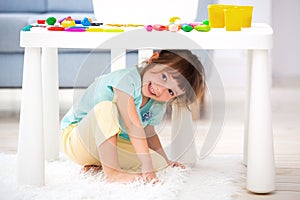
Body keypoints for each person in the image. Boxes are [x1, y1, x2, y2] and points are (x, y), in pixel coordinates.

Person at [60, 49, 206, 183]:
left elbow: (149, 133)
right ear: (153, 59)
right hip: (77, 139)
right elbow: (132, 125)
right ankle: (112, 173)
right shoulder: (127, 80)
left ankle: (99, 165)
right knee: (106, 108)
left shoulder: (157, 103)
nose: (160, 90)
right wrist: (146, 166)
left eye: (171, 92)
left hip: (108, 146)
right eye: (163, 77)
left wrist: (166, 161)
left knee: (158, 163)